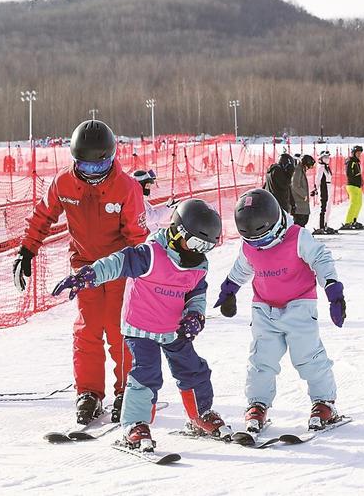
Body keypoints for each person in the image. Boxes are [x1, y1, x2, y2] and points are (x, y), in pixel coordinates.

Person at [52, 199, 230, 451]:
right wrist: (88, 275)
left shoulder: (198, 264)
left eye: (206, 246)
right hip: (141, 327)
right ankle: (135, 425)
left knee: (194, 369)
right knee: (147, 373)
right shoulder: (150, 254)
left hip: (174, 327)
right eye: (194, 243)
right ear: (177, 231)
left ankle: (201, 414)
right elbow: (116, 263)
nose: (198, 250)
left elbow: (196, 295)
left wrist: (195, 316)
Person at [13, 119, 148, 425]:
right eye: (84, 168)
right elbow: (43, 214)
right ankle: (89, 392)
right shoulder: (64, 183)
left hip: (119, 269)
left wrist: (142, 273)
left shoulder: (126, 188)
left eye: (98, 168)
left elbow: (138, 238)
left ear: (111, 159)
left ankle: (127, 390)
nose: (92, 176)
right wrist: (27, 249)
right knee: (87, 330)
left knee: (119, 330)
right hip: (84, 267)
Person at [214, 188, 346, 432]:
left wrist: (332, 289)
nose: (260, 247)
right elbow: (242, 268)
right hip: (264, 308)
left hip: (299, 305)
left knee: (308, 357)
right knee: (261, 360)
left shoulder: (298, 237)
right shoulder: (250, 247)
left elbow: (321, 258)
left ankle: (324, 402)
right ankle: (257, 404)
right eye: (254, 242)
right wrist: (229, 290)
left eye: (264, 240)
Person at [132, 169, 176, 233]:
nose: (149, 188)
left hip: (152, 234)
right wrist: (169, 207)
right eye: (147, 185)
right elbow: (152, 218)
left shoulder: (139, 199)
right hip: (148, 238)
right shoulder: (136, 202)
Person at [312, 150, 336, 234]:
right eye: (325, 157)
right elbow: (318, 179)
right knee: (323, 207)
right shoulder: (321, 167)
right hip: (324, 188)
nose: (327, 159)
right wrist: (315, 189)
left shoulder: (327, 167)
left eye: (328, 157)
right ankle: (321, 226)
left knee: (328, 207)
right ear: (321, 158)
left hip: (329, 187)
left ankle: (326, 224)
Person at [342, 145, 364, 229]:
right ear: (353, 153)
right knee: (353, 204)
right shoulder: (351, 161)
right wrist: (356, 177)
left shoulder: (356, 162)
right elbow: (349, 173)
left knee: (359, 204)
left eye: (360, 153)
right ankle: (348, 222)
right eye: (358, 153)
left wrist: (360, 180)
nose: (359, 154)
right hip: (352, 185)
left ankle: (354, 220)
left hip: (357, 185)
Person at [290, 154, 315, 227]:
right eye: (309, 166)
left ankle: (301, 234)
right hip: (299, 201)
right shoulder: (298, 170)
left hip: (302, 202)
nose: (308, 168)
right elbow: (295, 185)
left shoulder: (301, 170)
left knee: (304, 220)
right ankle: (298, 235)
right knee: (300, 221)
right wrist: (304, 194)